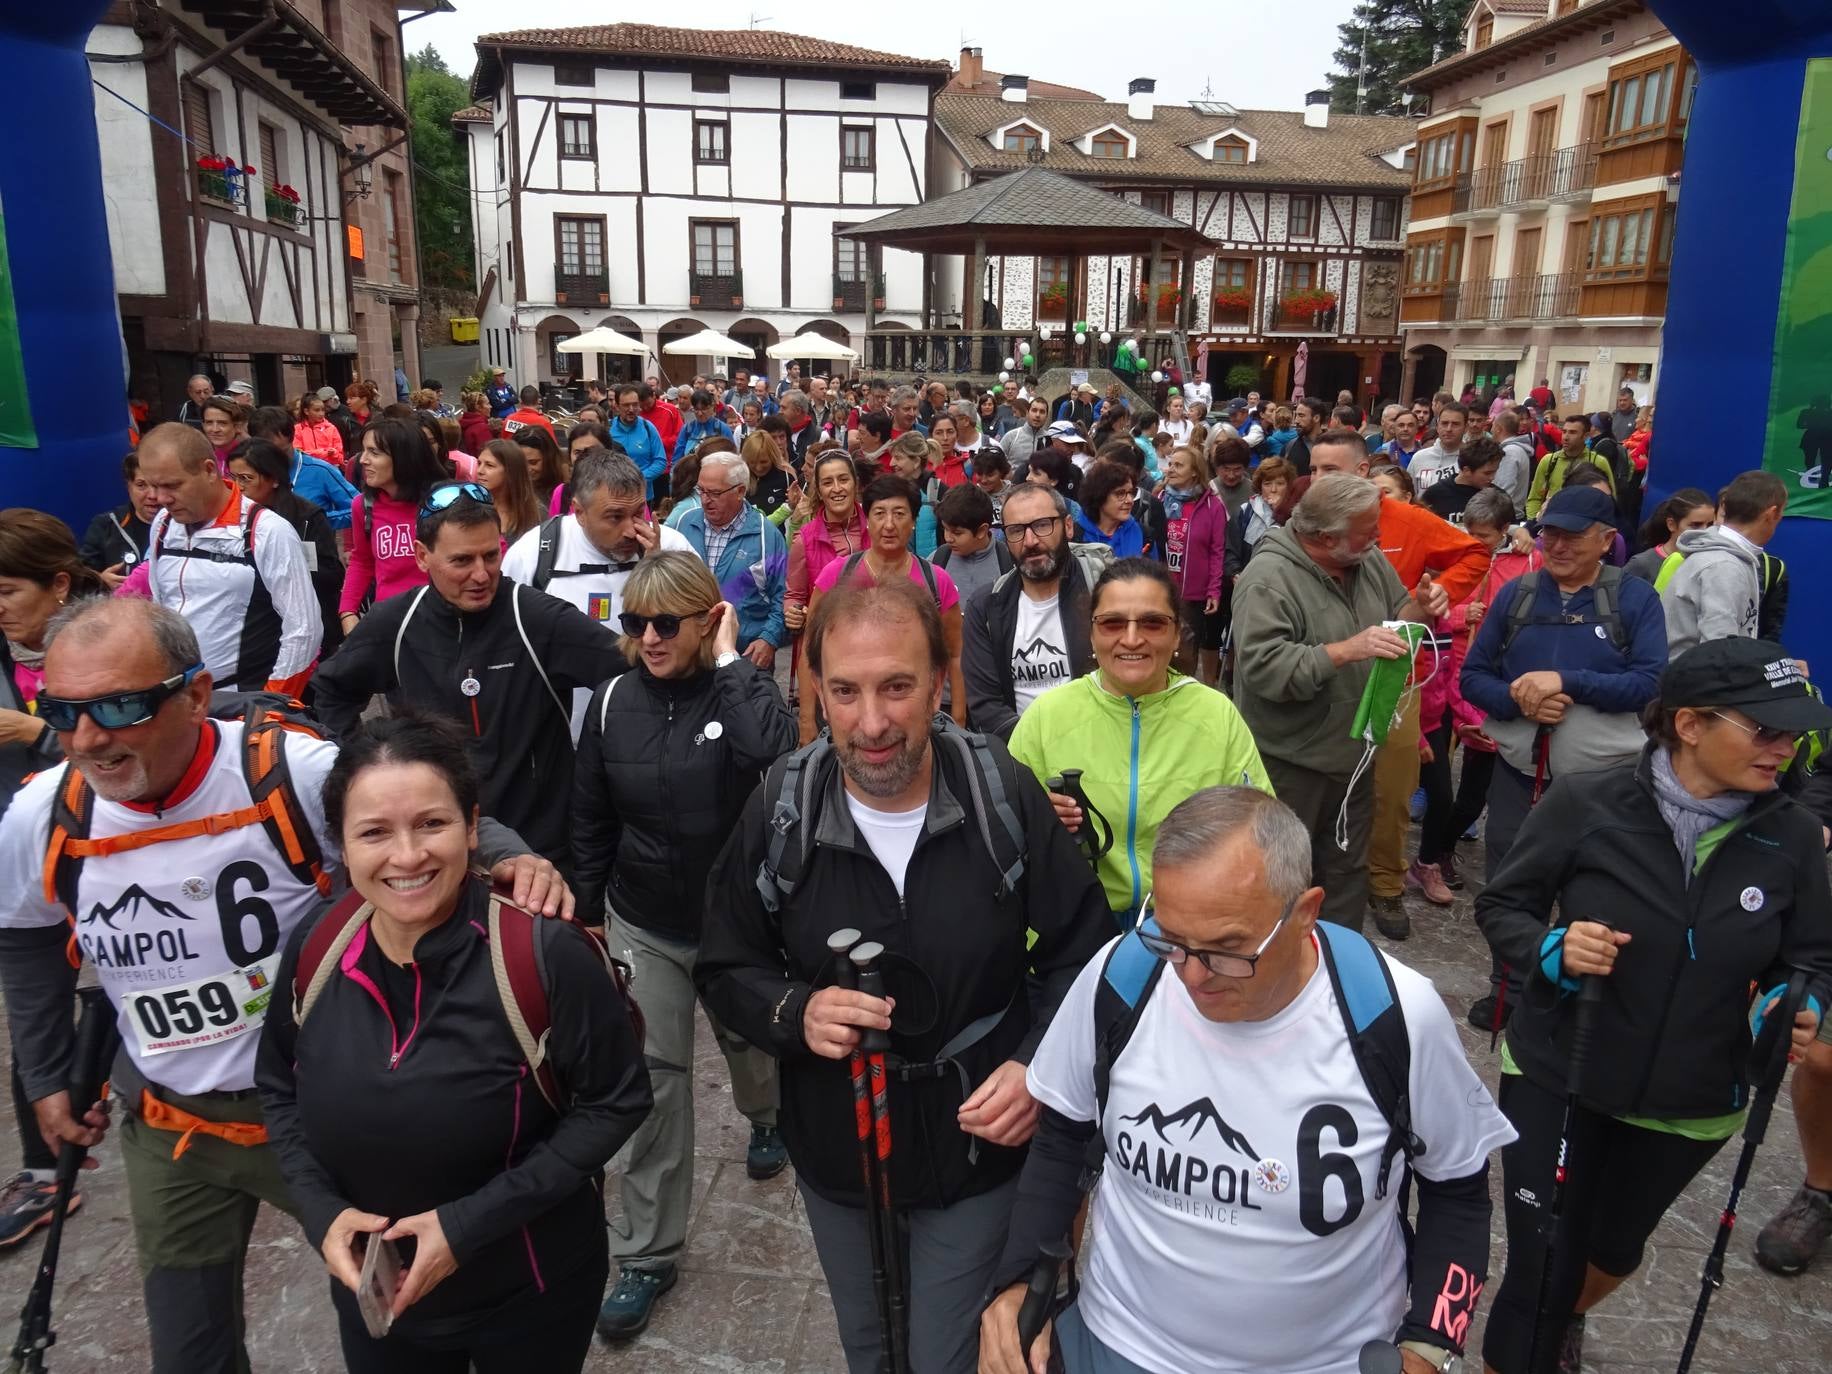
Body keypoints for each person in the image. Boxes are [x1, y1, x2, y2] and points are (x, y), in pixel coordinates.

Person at [0, 597, 567, 1373]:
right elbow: (25, 932)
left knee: (399, 1315)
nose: (89, 738)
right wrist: (43, 1069)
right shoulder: (44, 814)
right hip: (175, 1127)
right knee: (190, 1353)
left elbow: (410, 800)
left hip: (321, 1111)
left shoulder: (284, 772)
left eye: (122, 706)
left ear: (196, 694)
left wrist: (508, 854)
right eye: (62, 710)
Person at [696, 576, 1112, 1374]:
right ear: (816, 688)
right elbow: (725, 962)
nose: (873, 723)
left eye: (897, 687)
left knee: (944, 1353)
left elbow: (1082, 950)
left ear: (939, 684)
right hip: (838, 1141)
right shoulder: (784, 805)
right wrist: (794, 1011)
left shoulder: (997, 790)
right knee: (870, 1345)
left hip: (979, 1139)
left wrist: (1035, 1068)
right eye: (846, 692)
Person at [982, 785, 1514, 1374]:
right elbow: (1062, 1138)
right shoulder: (1122, 976)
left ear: (1307, 911)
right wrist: (1014, 1287)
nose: (1192, 976)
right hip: (1119, 1347)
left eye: (1228, 949)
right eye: (1171, 940)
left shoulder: (1395, 1013)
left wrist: (1432, 1346)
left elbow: (1459, 1192)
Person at [1475, 637, 1832, 1372]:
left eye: (1794, 733)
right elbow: (1505, 904)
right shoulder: (1588, 799)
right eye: (1765, 730)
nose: (1785, 749)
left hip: (1693, 1098)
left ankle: (1566, 1316)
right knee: (1542, 1264)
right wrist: (1552, 950)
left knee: (1610, 1252)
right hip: (1559, 1071)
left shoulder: (1794, 836)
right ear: (1692, 725)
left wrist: (1797, 1004)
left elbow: (1813, 957)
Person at [256, 714, 651, 1373]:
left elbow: (617, 1101)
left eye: (432, 824)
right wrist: (320, 1211)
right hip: (378, 1301)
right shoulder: (318, 945)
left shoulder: (542, 953)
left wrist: (465, 1228)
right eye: (375, 833)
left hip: (529, 1296)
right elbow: (276, 1084)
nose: (407, 856)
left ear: (472, 828)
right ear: (342, 845)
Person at [570, 554, 796, 1336]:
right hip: (645, 922)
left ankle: (767, 1117)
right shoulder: (610, 704)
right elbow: (591, 816)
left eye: (667, 622)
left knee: (748, 1044)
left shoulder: (741, 690)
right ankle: (646, 1255)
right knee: (657, 1084)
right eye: (636, 624)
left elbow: (775, 755)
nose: (650, 639)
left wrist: (732, 658)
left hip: (736, 922)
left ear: (706, 620)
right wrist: (590, 911)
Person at [314, 484, 627, 865]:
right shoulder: (395, 622)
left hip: (539, 848)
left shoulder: (536, 618)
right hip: (438, 849)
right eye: (462, 561)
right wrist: (367, 762)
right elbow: (330, 689)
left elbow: (628, 672)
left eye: (491, 556)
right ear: (422, 557)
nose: (481, 575)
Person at [1459, 484, 1668, 1028]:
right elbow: (1474, 676)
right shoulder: (1519, 595)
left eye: (1574, 535)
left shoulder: (1635, 598)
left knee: (1595, 886)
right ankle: (1509, 988)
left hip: (1605, 782)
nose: (1558, 544)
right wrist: (1518, 699)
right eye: (1551, 532)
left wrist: (1566, 683)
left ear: (1606, 541)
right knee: (1509, 882)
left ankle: (1584, 994)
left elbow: (1652, 684)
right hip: (1519, 773)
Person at [1010, 557, 1270, 925]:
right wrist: (1040, 823)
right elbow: (1003, 833)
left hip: (1188, 923)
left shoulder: (1217, 715)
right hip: (1072, 923)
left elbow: (1261, 831)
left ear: (1177, 633)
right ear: (1091, 631)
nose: (1132, 638)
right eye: (1113, 622)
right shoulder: (1046, 716)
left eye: (1152, 622)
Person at [1231, 475, 1421, 932]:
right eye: (1367, 528)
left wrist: (1425, 608)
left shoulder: (1366, 558)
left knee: (1345, 871)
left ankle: (1337, 968)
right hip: (1290, 763)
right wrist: (1344, 650)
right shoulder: (1267, 579)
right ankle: (1278, 973)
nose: (1378, 536)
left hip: (1353, 755)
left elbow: (1401, 618)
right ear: (1324, 537)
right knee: (1282, 877)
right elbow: (1264, 670)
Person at [501, 449, 696, 734]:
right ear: (579, 512)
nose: (631, 530)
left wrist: (657, 568)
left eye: (637, 512)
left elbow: (703, 629)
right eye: (614, 517)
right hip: (566, 736)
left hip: (655, 735)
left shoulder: (671, 547)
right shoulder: (535, 554)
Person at [128, 423, 320, 694]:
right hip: (180, 698)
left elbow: (304, 628)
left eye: (172, 485)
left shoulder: (267, 530)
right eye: (152, 486)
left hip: (243, 699)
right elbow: (162, 606)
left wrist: (272, 703)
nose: (160, 498)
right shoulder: (162, 524)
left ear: (209, 470)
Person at [1410, 486, 1531, 899]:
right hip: (1444, 677)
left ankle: (1438, 849)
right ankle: (1425, 853)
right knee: (1436, 777)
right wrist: (1463, 615)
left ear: (1503, 531)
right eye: (1471, 532)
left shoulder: (1526, 559)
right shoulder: (1454, 553)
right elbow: (1433, 606)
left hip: (1486, 685)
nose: (1476, 542)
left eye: (1486, 536)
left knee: (1474, 786)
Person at [802, 475, 967, 743]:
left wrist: (958, 720)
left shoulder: (936, 582)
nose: (889, 524)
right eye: (879, 513)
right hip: (846, 712)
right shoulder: (837, 575)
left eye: (900, 514)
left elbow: (955, 655)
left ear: (914, 522)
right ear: (867, 519)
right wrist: (807, 720)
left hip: (915, 714)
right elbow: (811, 649)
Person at [962, 484, 1108, 740]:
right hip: (1024, 756)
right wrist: (1039, 748)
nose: (1030, 542)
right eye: (1016, 531)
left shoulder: (1103, 590)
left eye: (1042, 525)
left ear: (1069, 526)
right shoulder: (986, 608)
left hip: (1101, 746)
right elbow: (986, 704)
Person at [672, 450, 789, 671]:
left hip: (744, 657)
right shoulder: (684, 524)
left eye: (715, 493)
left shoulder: (766, 535)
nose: (705, 500)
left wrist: (769, 639)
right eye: (701, 491)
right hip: (690, 658)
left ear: (740, 491)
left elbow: (783, 594)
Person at [226, 440, 343, 660]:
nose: (238, 487)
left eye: (246, 478)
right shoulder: (232, 519)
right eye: (233, 478)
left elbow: (333, 575)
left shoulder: (307, 517)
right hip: (252, 633)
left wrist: (286, 570)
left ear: (274, 479)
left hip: (306, 631)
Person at [1661, 470, 1789, 658]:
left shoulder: (1734, 558)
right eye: (1781, 515)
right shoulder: (1723, 566)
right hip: (1694, 683)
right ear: (1771, 514)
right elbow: (1719, 654)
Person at [340, 416, 448, 633]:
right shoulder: (363, 505)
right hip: (389, 626)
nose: (362, 460)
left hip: (441, 625)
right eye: (364, 450)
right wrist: (347, 613)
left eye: (374, 452)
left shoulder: (447, 501)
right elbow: (362, 560)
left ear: (403, 458)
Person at [1145, 446, 1228, 683]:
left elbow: (1217, 551)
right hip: (1160, 589)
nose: (1171, 469)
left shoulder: (1213, 506)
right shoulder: (1158, 499)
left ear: (1195, 472)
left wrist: (1214, 589)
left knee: (1186, 649)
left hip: (1193, 594)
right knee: (1157, 644)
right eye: (1171, 464)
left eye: (1179, 465)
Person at [244, 406, 361, 535]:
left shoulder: (320, 471)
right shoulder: (249, 473)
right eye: (264, 450)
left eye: (279, 450)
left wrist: (317, 519)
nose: (270, 454)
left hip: (315, 550)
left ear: (291, 436)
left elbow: (360, 509)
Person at [80, 451, 159, 585]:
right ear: (129, 486)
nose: (152, 495)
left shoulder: (182, 525)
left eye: (158, 485)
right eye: (141, 485)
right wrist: (100, 580)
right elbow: (80, 573)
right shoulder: (106, 525)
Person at [930, 482, 1011, 610]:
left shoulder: (1008, 562)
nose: (948, 538)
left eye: (957, 533)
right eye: (945, 529)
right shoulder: (937, 560)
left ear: (981, 531)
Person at [1527, 415, 1616, 517]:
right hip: (1551, 524)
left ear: (1586, 436)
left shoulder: (1598, 462)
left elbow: (1610, 500)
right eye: (1564, 431)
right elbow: (1534, 498)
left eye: (1573, 432)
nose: (1566, 437)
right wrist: (1533, 522)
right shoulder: (1549, 461)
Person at [1625, 487, 1715, 584]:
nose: (1705, 531)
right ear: (1671, 524)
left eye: (1710, 525)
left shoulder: (1710, 563)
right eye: (1695, 525)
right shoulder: (1642, 564)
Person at [1227, 455, 1291, 575]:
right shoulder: (1245, 511)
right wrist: (1235, 572)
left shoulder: (1295, 514)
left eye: (1280, 483)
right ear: (1260, 486)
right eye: (1267, 484)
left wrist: (1280, 512)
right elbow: (1231, 550)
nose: (1273, 489)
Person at [474, 436, 546, 543]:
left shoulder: (537, 513)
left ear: (510, 471)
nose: (480, 471)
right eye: (479, 463)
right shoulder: (471, 506)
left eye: (489, 465)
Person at [1419, 435, 1503, 526]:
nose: (1492, 477)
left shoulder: (1498, 497)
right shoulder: (1434, 495)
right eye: (1487, 473)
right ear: (1466, 470)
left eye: (1495, 471)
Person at [1073, 460, 1146, 558]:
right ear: (1099, 496)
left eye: (1131, 492)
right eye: (1120, 493)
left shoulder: (1142, 534)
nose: (1130, 500)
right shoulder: (1074, 535)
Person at [1406, 401, 1467, 495]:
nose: (1449, 429)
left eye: (1455, 424)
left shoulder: (1472, 460)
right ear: (1437, 426)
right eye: (1444, 423)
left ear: (1465, 428)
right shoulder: (1419, 458)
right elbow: (1409, 495)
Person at [673, 387, 734, 464]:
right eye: (696, 409)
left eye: (704, 409)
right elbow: (677, 458)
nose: (700, 413)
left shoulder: (722, 429)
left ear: (712, 407)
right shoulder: (687, 429)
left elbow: (731, 458)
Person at [292, 390, 345, 468]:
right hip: (308, 470)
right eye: (317, 410)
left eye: (323, 410)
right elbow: (298, 455)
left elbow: (340, 458)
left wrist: (333, 454)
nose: (321, 413)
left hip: (329, 470)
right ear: (306, 411)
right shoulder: (298, 429)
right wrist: (324, 453)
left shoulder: (331, 428)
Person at [1001, 394, 1052, 470]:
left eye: (1042, 412)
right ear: (1027, 413)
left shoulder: (1050, 440)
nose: (1037, 415)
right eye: (1034, 410)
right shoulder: (1011, 436)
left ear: (1046, 416)